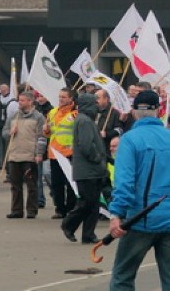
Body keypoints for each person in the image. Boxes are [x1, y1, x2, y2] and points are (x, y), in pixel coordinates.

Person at [109, 90, 170, 291]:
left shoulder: (130, 140)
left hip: (140, 220)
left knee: (122, 277)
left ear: (134, 111)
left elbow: (124, 182)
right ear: (159, 111)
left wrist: (116, 213)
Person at [62, 93, 108, 244]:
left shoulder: (85, 120)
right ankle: (69, 224)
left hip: (89, 169)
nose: (97, 105)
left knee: (93, 203)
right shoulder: (85, 121)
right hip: (88, 169)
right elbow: (86, 145)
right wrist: (97, 158)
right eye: (94, 102)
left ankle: (88, 234)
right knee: (88, 202)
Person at [4, 90, 46, 219]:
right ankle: (16, 210)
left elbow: (42, 138)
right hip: (14, 155)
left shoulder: (38, 117)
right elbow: (4, 132)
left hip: (30, 156)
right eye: (19, 100)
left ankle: (31, 210)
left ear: (30, 101)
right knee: (15, 185)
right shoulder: (14, 116)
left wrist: (39, 153)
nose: (19, 103)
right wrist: (10, 132)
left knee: (31, 185)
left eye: (22, 100)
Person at [44, 88, 78, 219]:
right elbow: (49, 132)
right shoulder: (52, 112)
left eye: (64, 97)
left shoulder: (75, 114)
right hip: (54, 153)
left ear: (70, 99)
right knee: (56, 183)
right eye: (60, 97)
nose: (61, 99)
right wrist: (46, 130)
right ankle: (59, 209)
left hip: (69, 152)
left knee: (70, 183)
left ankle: (70, 208)